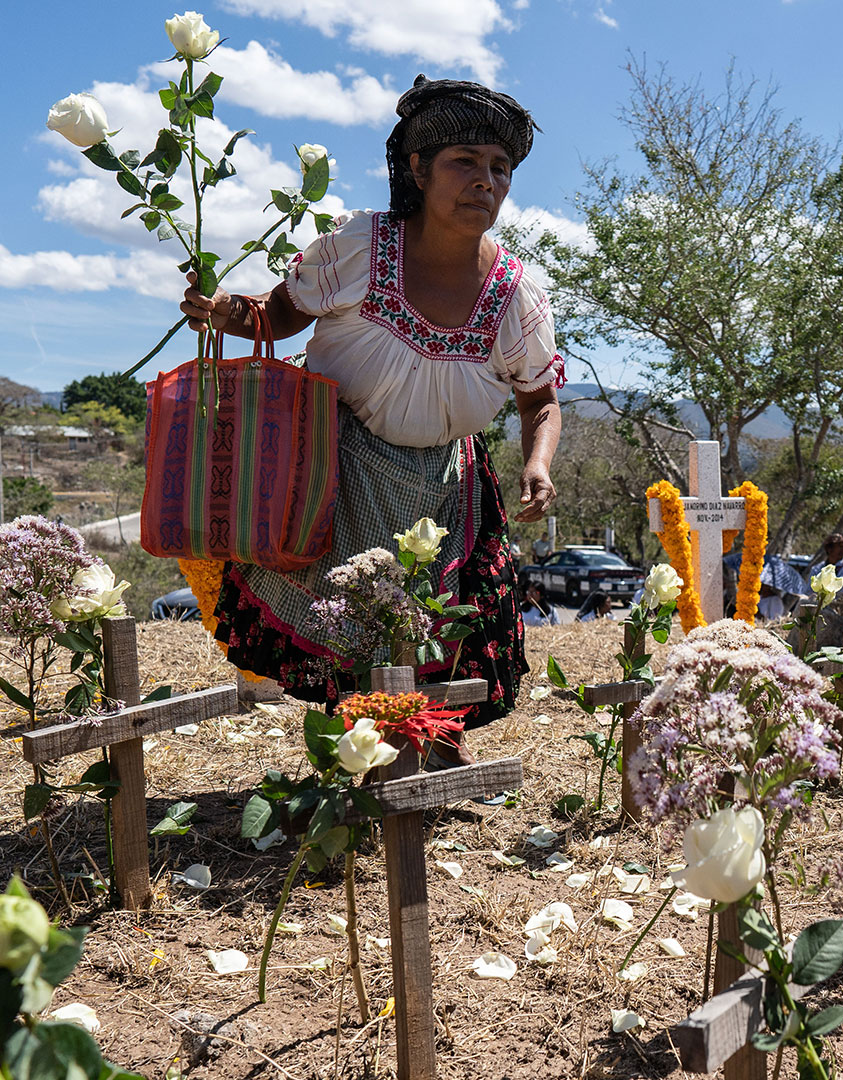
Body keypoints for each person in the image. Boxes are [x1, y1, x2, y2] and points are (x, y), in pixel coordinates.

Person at [180, 75, 563, 765]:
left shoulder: (516, 294)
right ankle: (353, 760)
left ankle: (429, 752)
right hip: (340, 469)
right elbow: (278, 314)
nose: (486, 182)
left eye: (500, 168)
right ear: (417, 169)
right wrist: (228, 312)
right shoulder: (360, 248)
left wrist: (537, 463)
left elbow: (540, 399)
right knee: (345, 626)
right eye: (464, 163)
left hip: (449, 480)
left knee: (443, 626)